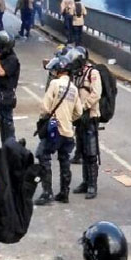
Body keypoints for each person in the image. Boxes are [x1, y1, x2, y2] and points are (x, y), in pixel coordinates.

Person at [35, 55, 83, 206]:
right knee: (64, 159)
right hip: (68, 129)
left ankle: (47, 193)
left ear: (59, 70)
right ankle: (64, 192)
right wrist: (67, 117)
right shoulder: (74, 89)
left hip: (55, 125)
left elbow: (44, 107)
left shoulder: (55, 84)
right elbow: (79, 112)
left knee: (43, 154)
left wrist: (48, 118)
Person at [69, 47, 102, 199]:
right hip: (80, 119)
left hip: (90, 117)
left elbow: (96, 93)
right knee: (82, 150)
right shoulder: (78, 74)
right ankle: (85, 181)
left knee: (91, 152)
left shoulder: (92, 73)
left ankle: (92, 185)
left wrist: (84, 107)